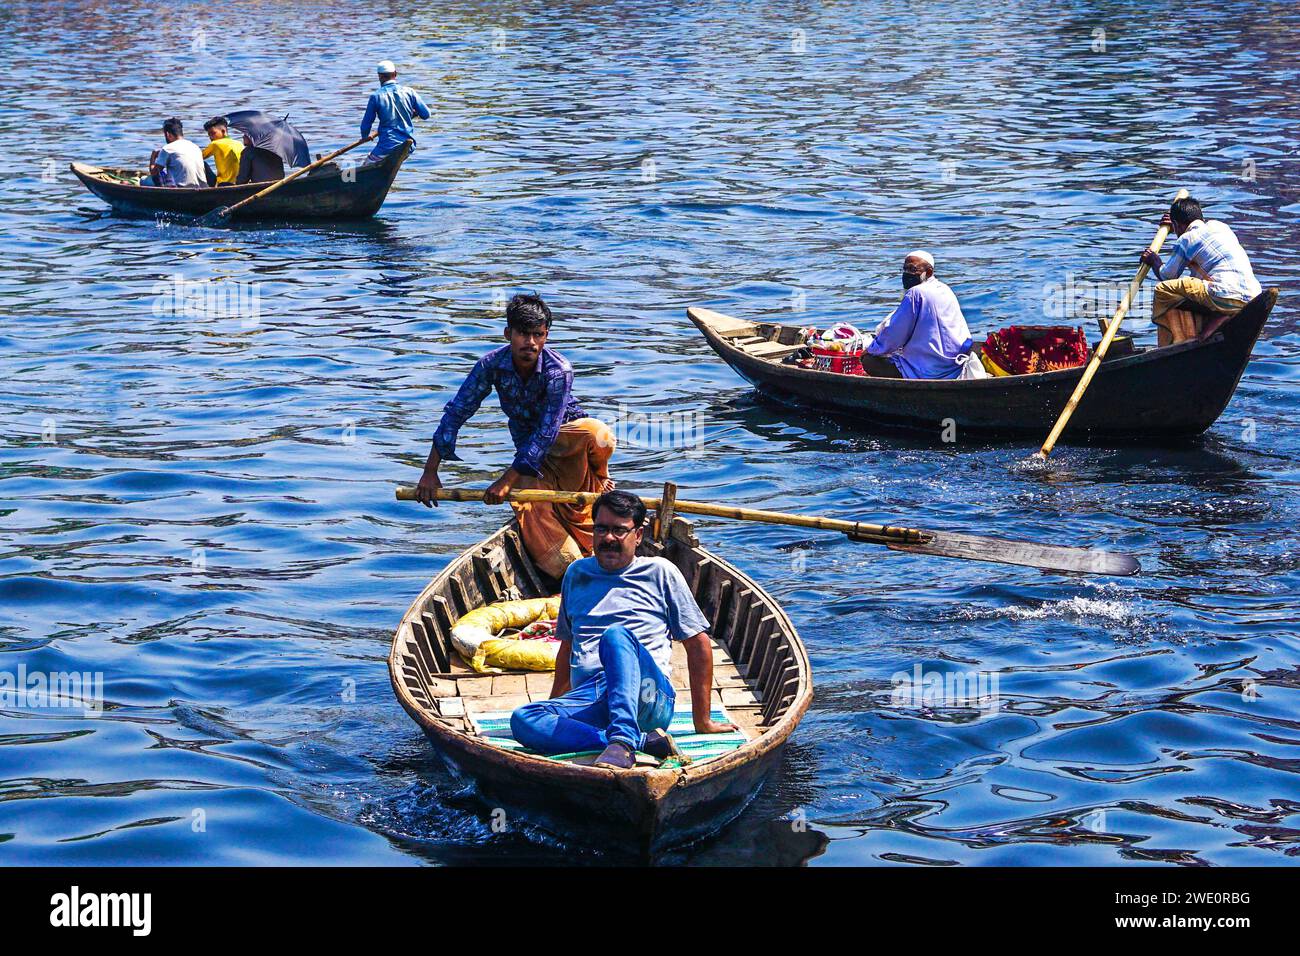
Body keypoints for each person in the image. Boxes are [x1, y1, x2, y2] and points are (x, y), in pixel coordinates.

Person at [510, 491, 737, 770]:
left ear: (638, 535)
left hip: (648, 695)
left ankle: (623, 738)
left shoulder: (660, 571)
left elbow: (698, 644)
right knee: (524, 719)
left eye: (619, 531)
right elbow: (568, 647)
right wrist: (558, 707)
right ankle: (639, 742)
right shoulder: (576, 573)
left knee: (616, 636)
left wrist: (702, 721)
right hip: (593, 695)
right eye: (602, 529)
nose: (608, 539)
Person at [415, 293, 615, 578]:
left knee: (599, 433)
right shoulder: (491, 365)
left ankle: (600, 478)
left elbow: (546, 434)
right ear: (508, 333)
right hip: (530, 456)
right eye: (523, 334)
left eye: (538, 335)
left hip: (567, 441)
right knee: (531, 509)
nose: (530, 343)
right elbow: (457, 411)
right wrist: (430, 470)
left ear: (546, 337)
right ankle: (574, 570)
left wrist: (504, 481)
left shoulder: (558, 371)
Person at [1140, 196, 1261, 346]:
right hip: (1253, 294)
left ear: (1176, 225)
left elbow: (1167, 276)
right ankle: (1220, 314)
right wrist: (1176, 226)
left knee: (1162, 290)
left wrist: (1154, 261)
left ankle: (1174, 341)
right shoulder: (1220, 226)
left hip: (1225, 294)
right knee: (1195, 281)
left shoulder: (1186, 239)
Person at [860, 251, 973, 379]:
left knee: (869, 361)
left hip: (928, 371)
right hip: (954, 366)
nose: (907, 274)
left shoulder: (916, 293)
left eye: (913, 269)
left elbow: (895, 333)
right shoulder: (945, 289)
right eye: (905, 269)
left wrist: (870, 350)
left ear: (929, 272)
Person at [361, 59, 430, 163]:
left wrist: (365, 137)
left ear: (379, 76)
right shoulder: (409, 92)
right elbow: (426, 114)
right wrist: (412, 114)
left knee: (366, 164)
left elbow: (366, 125)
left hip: (386, 147)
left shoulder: (375, 96)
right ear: (395, 74)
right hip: (408, 146)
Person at [139, 118, 205, 188]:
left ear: (167, 134)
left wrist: (153, 157)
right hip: (202, 187)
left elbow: (154, 174)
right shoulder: (195, 147)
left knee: (143, 180)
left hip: (181, 188)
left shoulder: (167, 148)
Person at [201, 116, 244, 186]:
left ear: (223, 131)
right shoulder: (239, 143)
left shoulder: (215, 144)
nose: (211, 137)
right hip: (239, 182)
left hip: (224, 184)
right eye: (209, 135)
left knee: (202, 163)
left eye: (213, 133)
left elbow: (197, 157)